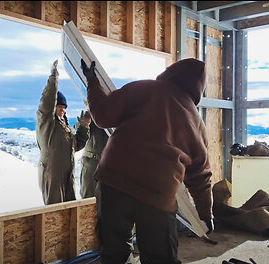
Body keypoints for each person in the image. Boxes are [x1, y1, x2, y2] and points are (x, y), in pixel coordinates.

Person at [81, 58, 214, 264]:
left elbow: (103, 116)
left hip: (114, 181)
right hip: (158, 193)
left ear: (171, 71)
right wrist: (206, 214)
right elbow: (201, 175)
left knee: (114, 252)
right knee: (160, 257)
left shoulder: (142, 88)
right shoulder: (196, 122)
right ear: (199, 87)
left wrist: (92, 82)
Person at [36, 60, 91, 205]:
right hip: (52, 176)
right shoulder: (46, 124)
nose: (62, 109)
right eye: (59, 106)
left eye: (64, 107)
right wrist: (53, 79)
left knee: (68, 212)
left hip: (67, 178)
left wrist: (84, 127)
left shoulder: (64, 127)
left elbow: (76, 145)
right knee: (54, 213)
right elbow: (46, 104)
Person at [74, 112, 109, 198]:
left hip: (110, 166)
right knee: (88, 199)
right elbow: (78, 126)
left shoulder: (119, 116)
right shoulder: (93, 114)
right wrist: (84, 123)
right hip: (92, 162)